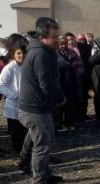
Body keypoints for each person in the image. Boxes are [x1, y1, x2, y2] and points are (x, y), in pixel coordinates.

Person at [17, 17, 65, 183]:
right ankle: (40, 178)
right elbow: (46, 84)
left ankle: (25, 161)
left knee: (36, 137)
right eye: (54, 37)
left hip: (34, 107)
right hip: (35, 108)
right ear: (43, 37)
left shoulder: (41, 51)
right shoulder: (41, 54)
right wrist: (60, 99)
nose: (58, 40)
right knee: (42, 145)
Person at [0, 34, 29, 154]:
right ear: (13, 54)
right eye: (18, 53)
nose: (21, 55)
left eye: (23, 53)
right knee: (16, 131)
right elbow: (1, 85)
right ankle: (18, 152)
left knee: (26, 130)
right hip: (14, 104)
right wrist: (15, 95)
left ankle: (25, 152)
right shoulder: (10, 68)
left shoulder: (27, 66)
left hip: (27, 103)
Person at [56, 38, 79, 130]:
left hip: (71, 81)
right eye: (61, 44)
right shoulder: (54, 54)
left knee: (71, 103)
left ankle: (69, 122)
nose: (63, 46)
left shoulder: (72, 52)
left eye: (65, 44)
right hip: (61, 82)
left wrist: (76, 64)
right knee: (61, 103)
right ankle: (60, 123)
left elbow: (79, 61)